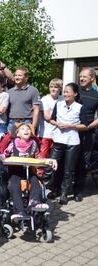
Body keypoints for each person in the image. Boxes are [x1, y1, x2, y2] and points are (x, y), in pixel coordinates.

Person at [0, 123, 56, 221]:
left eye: (28, 129)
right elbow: (5, 154)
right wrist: (0, 157)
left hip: (29, 170)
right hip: (15, 171)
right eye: (23, 129)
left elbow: (38, 157)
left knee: (35, 181)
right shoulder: (13, 143)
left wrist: (49, 160)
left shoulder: (33, 144)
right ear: (17, 134)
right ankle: (19, 210)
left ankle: (34, 202)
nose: (26, 130)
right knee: (14, 184)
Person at [45, 83, 85, 205]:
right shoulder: (59, 104)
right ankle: (54, 189)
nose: (65, 94)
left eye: (68, 92)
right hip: (58, 139)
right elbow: (51, 119)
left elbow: (85, 125)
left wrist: (70, 126)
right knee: (53, 165)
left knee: (68, 170)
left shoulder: (80, 107)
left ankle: (64, 193)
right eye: (64, 91)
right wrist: (57, 124)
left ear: (75, 94)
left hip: (72, 141)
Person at [73, 67, 98, 201]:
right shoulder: (75, 92)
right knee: (68, 161)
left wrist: (87, 127)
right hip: (71, 132)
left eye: (84, 77)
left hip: (88, 134)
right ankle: (59, 189)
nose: (81, 79)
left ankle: (78, 191)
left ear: (92, 78)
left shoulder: (96, 95)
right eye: (80, 76)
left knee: (82, 162)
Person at [7, 67, 40, 132]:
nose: (17, 77)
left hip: (26, 122)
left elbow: (36, 110)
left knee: (26, 142)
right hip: (12, 123)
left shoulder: (33, 91)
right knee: (11, 142)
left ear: (26, 78)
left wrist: (33, 126)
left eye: (19, 75)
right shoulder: (9, 92)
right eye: (15, 75)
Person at [40, 78, 63, 159]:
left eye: (56, 87)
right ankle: (41, 172)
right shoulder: (45, 99)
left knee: (55, 158)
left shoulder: (63, 99)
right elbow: (47, 117)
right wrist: (60, 120)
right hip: (46, 133)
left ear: (60, 89)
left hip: (58, 134)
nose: (53, 89)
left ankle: (53, 171)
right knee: (43, 156)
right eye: (51, 87)